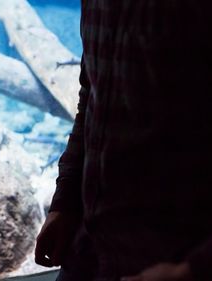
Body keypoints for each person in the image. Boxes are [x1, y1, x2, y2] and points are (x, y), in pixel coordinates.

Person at [35, 1, 212, 281]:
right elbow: (92, 94)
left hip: (170, 253)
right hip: (86, 247)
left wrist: (193, 269)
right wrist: (65, 201)